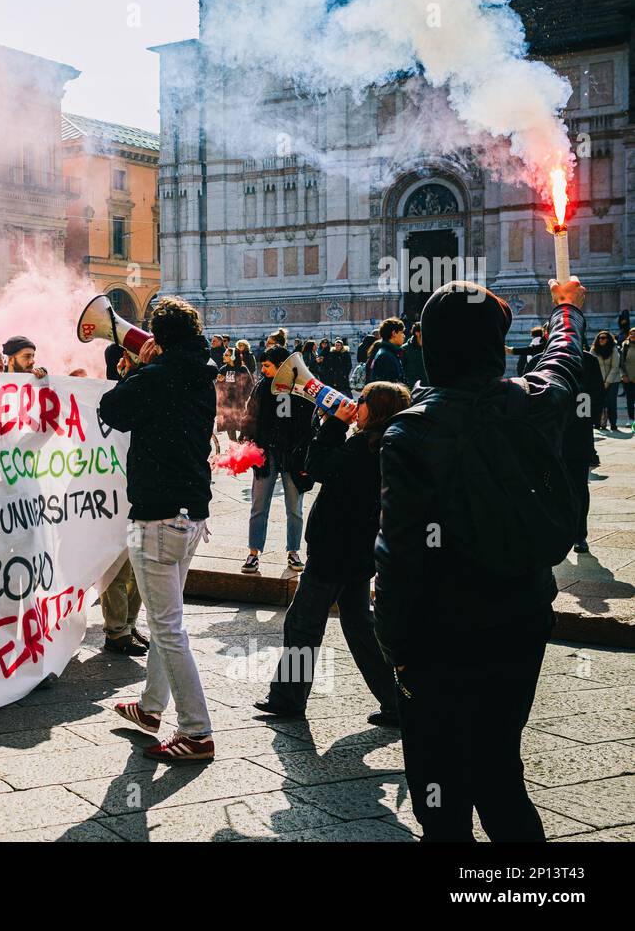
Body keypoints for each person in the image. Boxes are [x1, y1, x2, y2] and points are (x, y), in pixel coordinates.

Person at [374, 276, 585, 842]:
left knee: (439, 792)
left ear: (433, 346)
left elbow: (399, 557)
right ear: (494, 344)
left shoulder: (411, 431)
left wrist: (394, 649)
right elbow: (563, 360)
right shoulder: (535, 402)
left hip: (438, 637)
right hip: (521, 620)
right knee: (499, 769)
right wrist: (566, 309)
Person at [100, 297, 218, 762]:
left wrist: (137, 369)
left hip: (156, 514)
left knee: (167, 629)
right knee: (167, 618)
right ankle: (150, 709)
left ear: (158, 337)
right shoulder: (202, 373)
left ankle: (196, 732)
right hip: (193, 512)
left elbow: (112, 409)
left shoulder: (158, 375)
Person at [256, 382, 410, 725]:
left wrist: (335, 424)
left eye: (363, 400)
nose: (357, 404)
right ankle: (396, 702)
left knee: (303, 624)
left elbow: (318, 467)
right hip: (357, 552)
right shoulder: (386, 445)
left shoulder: (363, 446)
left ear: (377, 409)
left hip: (333, 551)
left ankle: (287, 698)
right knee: (361, 628)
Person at [239, 346, 314, 574]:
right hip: (267, 454)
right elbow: (250, 415)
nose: (263, 370)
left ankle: (293, 551)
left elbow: (310, 425)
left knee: (294, 508)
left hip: (293, 456)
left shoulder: (300, 386)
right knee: (259, 506)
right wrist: (248, 441)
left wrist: (302, 452)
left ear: (281, 366)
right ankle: (253, 553)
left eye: (267, 366)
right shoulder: (262, 386)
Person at [565, 348, 603, 553]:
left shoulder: (588, 361)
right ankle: (557, 533)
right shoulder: (538, 360)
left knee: (579, 486)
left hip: (578, 435)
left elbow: (596, 396)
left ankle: (580, 534)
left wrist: (583, 418)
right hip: (550, 436)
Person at [215, 348, 253, 443]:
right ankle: (233, 444)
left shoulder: (242, 368)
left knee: (242, 424)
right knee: (229, 425)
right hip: (227, 401)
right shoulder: (223, 369)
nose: (224, 356)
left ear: (233, 357)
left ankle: (242, 443)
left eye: (226, 355)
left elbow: (249, 384)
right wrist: (219, 381)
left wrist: (245, 398)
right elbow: (218, 386)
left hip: (239, 401)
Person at [591, 330, 621, 430]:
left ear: (608, 340)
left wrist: (607, 382)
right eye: (599, 338)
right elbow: (591, 366)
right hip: (598, 381)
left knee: (612, 402)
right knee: (598, 402)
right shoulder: (594, 350)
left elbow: (615, 367)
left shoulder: (613, 350)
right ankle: (597, 423)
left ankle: (613, 423)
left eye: (603, 338)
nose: (601, 340)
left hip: (613, 381)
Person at [365, 317, 406, 384]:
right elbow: (389, 386)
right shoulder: (386, 356)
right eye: (401, 332)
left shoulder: (387, 352)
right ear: (394, 333)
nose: (404, 336)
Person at [401, 322, 425, 387]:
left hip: (427, 388)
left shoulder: (428, 349)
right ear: (417, 333)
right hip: (411, 388)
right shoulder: (404, 349)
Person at [620, 329, 635, 429]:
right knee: (630, 400)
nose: (633, 336)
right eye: (631, 334)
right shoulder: (625, 346)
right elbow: (621, 363)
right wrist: (623, 375)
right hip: (628, 378)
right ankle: (631, 419)